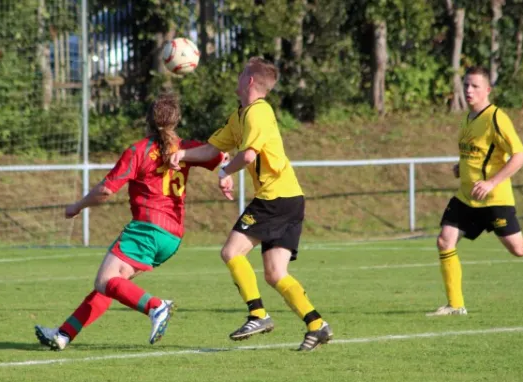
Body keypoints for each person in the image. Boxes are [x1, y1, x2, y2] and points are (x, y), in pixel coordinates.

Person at [34, 93, 225, 350]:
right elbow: (220, 155)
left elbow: (106, 190)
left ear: (147, 120)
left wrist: (77, 206)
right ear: (176, 121)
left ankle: (156, 306)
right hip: (171, 237)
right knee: (112, 285)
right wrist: (227, 175)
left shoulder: (139, 151)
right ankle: (63, 334)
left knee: (104, 281)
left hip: (148, 228)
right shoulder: (186, 148)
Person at [169, 57, 332, 351]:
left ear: (251, 81)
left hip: (275, 198)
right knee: (275, 274)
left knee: (231, 252)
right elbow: (211, 148)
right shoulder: (240, 116)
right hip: (290, 198)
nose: (238, 77)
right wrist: (181, 155)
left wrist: (224, 172)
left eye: (242, 73)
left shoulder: (259, 112)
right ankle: (316, 325)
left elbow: (247, 156)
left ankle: (258, 314)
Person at [427, 66, 523, 316]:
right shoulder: (468, 118)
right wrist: (461, 168)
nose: (468, 90)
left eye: (474, 86)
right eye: (465, 85)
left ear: (487, 90)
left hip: (493, 197)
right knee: (445, 241)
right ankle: (455, 305)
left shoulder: (496, 117)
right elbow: (478, 155)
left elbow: (520, 155)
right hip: (467, 197)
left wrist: (491, 183)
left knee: (519, 249)